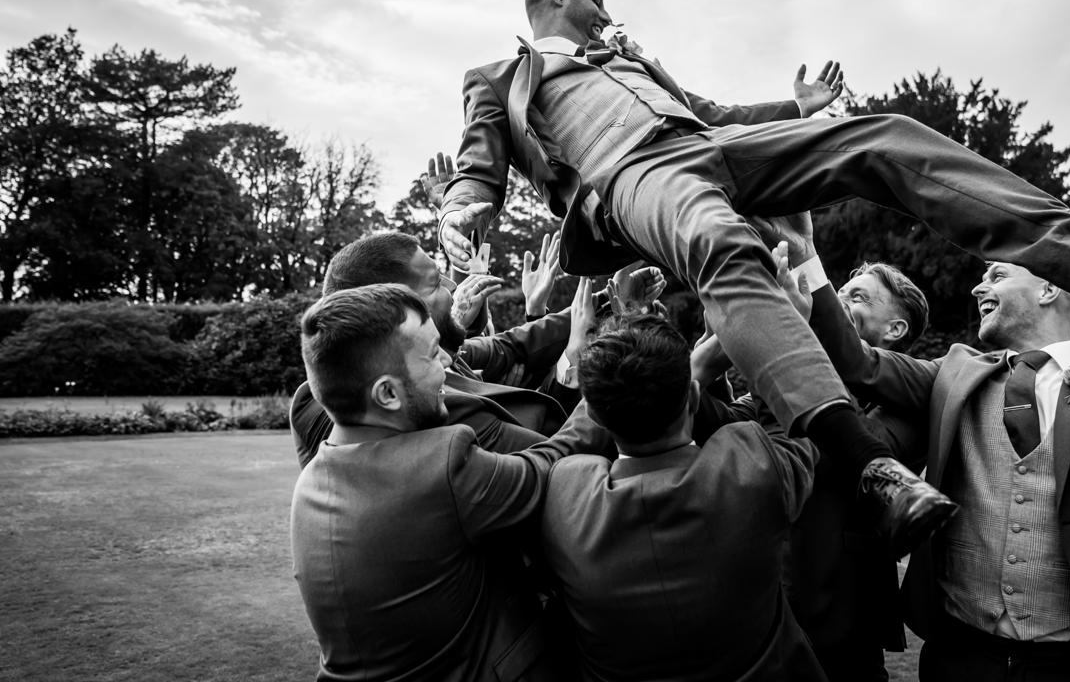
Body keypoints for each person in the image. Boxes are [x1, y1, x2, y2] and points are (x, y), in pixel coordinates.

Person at [437, 0, 1070, 546]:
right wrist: (466, 201)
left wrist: (794, 112)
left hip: (714, 146)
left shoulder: (634, 60)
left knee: (882, 136)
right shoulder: (502, 76)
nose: (609, 12)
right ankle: (865, 463)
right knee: (721, 244)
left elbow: (710, 113)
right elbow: (479, 156)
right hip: (627, 177)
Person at [804, 213, 1070, 681]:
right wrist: (805, 255)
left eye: (998, 273)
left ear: (1049, 288)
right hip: (958, 656)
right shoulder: (950, 374)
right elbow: (860, 363)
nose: (977, 287)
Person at [291, 282, 610, 682]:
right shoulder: (440, 465)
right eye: (431, 356)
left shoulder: (310, 483)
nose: (447, 362)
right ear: (387, 394)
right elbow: (545, 468)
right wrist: (603, 387)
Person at [540, 314, 827, 681]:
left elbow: (560, 447)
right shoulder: (753, 469)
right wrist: (772, 326)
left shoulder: (563, 493)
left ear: (592, 413)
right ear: (693, 395)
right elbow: (794, 421)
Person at [289, 230, 589, 468]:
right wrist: (575, 359)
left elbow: (510, 345)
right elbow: (553, 455)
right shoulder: (434, 407)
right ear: (399, 307)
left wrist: (590, 305)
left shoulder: (436, 360)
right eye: (436, 284)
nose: (452, 288)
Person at [790, 261, 931, 681]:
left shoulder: (914, 401)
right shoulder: (788, 370)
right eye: (841, 291)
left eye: (857, 297)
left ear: (895, 330)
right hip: (765, 600)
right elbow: (725, 423)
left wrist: (803, 342)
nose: (838, 301)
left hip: (846, 611)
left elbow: (859, 450)